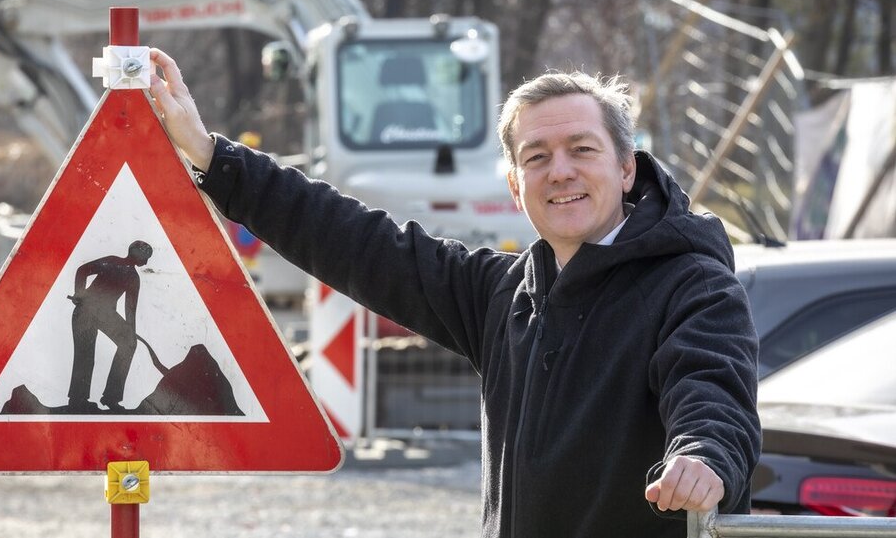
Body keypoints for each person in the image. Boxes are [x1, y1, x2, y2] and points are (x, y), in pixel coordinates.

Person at [147, 48, 761, 537]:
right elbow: (356, 241)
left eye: (582, 149)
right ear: (516, 189)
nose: (561, 171)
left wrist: (704, 458)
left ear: (626, 169)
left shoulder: (693, 284)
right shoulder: (503, 293)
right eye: (537, 157)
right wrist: (210, 154)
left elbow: (714, 393)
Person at [67, 240, 153, 411]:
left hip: (102, 313)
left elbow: (130, 308)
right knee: (86, 354)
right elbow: (82, 271)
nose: (147, 262)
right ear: (139, 254)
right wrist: (79, 293)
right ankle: (80, 400)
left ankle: (110, 397)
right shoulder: (115, 264)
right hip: (87, 310)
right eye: (146, 257)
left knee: (128, 344)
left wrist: (130, 333)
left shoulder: (130, 275)